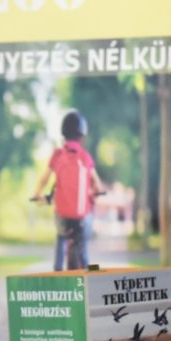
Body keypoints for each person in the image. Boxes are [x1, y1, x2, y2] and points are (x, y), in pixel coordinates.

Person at [33, 110, 105, 270]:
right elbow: (98, 185)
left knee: (61, 237)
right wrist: (94, 194)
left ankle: (57, 270)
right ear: (82, 136)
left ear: (63, 134)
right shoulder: (85, 157)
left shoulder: (57, 155)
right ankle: (87, 273)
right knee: (83, 247)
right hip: (81, 216)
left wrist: (37, 193)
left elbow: (45, 178)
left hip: (63, 215)